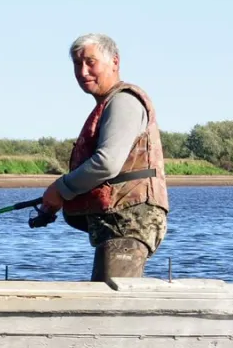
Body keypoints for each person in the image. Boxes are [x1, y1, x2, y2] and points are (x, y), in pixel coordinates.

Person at [35, 33, 169, 280]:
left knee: (113, 305)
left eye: (90, 62)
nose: (83, 71)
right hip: (117, 222)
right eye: (77, 64)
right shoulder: (109, 103)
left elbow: (106, 163)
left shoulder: (123, 102)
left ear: (114, 62)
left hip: (129, 221)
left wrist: (61, 188)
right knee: (108, 300)